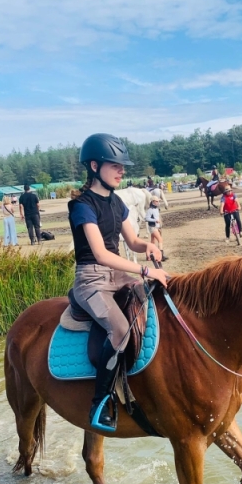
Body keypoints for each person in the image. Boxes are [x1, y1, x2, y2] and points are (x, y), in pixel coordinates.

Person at [69, 133, 167, 432]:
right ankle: (102, 402)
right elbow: (100, 253)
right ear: (95, 166)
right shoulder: (82, 205)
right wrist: (146, 272)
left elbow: (133, 241)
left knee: (163, 297)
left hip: (119, 275)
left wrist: (148, 247)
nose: (122, 170)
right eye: (115, 165)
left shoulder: (116, 202)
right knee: (121, 330)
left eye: (122, 165)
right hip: (92, 280)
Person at [144, 197, 168, 261]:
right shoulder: (150, 210)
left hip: (156, 226)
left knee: (152, 241)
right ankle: (161, 255)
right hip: (152, 227)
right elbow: (146, 218)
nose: (158, 203)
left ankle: (149, 256)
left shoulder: (156, 209)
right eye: (156, 201)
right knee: (160, 239)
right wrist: (155, 220)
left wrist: (159, 226)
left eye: (158, 201)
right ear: (153, 202)